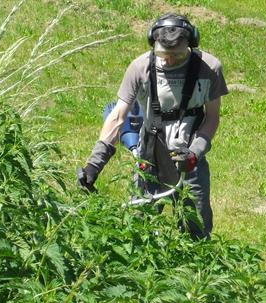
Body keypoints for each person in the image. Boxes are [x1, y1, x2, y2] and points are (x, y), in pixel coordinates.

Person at [77, 13, 228, 240]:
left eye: (175, 55)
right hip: (150, 156)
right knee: (139, 229)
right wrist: (93, 166)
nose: (167, 60)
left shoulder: (209, 68)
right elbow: (117, 116)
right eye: (162, 54)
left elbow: (212, 118)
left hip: (189, 160)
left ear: (190, 44)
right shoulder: (140, 68)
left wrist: (195, 154)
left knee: (196, 230)